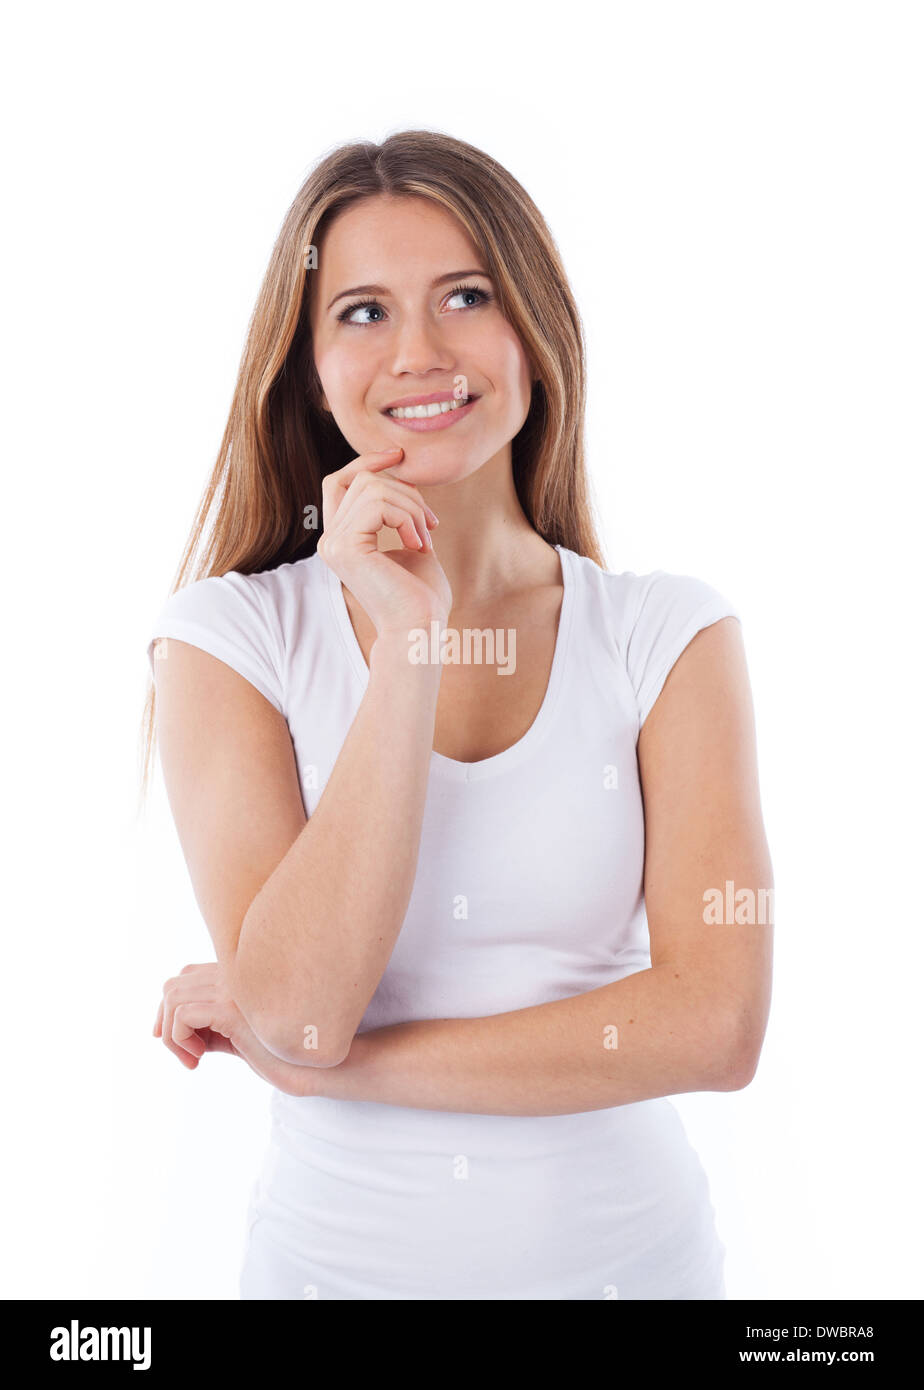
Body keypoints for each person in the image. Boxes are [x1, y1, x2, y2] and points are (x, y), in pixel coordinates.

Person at [143, 130, 773, 1300]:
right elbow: (298, 1009)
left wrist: (335, 1069)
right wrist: (410, 651)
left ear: (534, 328)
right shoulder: (227, 641)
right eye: (364, 312)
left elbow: (717, 1026)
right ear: (309, 363)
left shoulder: (667, 635)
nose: (419, 353)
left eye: (465, 297)